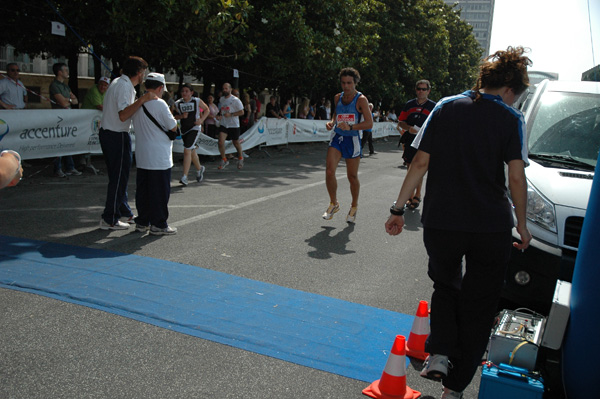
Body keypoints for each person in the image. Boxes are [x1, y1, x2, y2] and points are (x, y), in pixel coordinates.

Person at [384, 46, 533, 399]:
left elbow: (420, 162)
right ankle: (454, 389)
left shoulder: (446, 106)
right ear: (510, 89)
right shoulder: (511, 120)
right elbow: (516, 178)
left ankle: (439, 354)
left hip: (443, 221)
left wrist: (397, 209)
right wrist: (523, 226)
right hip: (491, 225)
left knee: (446, 285)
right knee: (480, 304)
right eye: (518, 98)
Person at [99, 56, 157, 230]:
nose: (144, 76)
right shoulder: (125, 86)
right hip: (117, 135)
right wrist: (142, 100)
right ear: (139, 73)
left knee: (118, 176)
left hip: (109, 134)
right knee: (119, 178)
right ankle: (110, 218)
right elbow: (123, 114)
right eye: (143, 72)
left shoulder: (117, 82)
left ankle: (123, 210)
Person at [323, 67, 373, 223]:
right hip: (338, 137)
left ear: (355, 82)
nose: (346, 86)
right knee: (330, 171)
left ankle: (354, 206)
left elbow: (369, 123)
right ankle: (334, 203)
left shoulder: (361, 100)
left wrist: (351, 127)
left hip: (352, 140)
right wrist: (332, 122)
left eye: (349, 83)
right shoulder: (338, 97)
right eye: (343, 83)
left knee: (352, 177)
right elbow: (337, 114)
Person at [130, 73, 178, 235]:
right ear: (160, 87)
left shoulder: (137, 103)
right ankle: (159, 224)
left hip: (142, 155)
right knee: (159, 192)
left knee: (143, 191)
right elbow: (173, 126)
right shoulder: (160, 104)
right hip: (159, 157)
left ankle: (142, 221)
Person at [397, 79, 436, 210]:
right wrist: (408, 128)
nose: (421, 91)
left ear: (428, 91)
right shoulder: (409, 105)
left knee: (419, 168)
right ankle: (410, 195)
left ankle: (417, 195)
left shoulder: (434, 106)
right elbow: (400, 121)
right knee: (409, 167)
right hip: (410, 140)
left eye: (424, 89)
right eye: (419, 89)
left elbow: (438, 125)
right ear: (416, 90)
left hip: (425, 141)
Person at [49, 62, 81, 178]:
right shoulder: (54, 85)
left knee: (68, 141)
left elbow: (76, 100)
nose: (67, 72)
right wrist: (69, 100)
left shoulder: (66, 86)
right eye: (65, 70)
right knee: (59, 143)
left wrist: (69, 100)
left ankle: (70, 167)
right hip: (58, 118)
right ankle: (57, 168)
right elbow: (62, 102)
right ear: (59, 72)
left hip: (68, 117)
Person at [173, 84, 209, 186]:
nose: (184, 93)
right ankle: (199, 168)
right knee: (191, 150)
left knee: (187, 150)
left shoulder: (196, 101)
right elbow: (173, 116)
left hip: (194, 128)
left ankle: (185, 176)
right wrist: (181, 116)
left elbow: (207, 109)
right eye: (182, 91)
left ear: (191, 92)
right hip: (184, 130)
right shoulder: (177, 103)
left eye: (186, 91)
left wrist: (201, 120)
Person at [81, 76, 111, 173]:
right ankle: (82, 161)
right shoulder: (94, 90)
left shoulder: (106, 92)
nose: (103, 87)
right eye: (101, 84)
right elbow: (100, 106)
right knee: (85, 139)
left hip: (94, 120)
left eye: (105, 85)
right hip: (85, 120)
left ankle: (85, 161)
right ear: (98, 84)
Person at [216, 83, 245, 170]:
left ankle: (240, 158)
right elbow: (222, 109)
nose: (224, 90)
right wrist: (219, 115)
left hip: (233, 124)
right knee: (220, 142)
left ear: (230, 89)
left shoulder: (235, 100)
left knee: (236, 142)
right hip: (224, 124)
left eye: (226, 89)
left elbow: (242, 112)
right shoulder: (221, 99)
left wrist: (231, 114)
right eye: (223, 89)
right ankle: (224, 159)